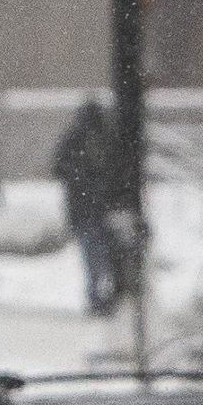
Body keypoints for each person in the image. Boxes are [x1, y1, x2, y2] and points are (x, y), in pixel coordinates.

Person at [51, 96, 123, 314]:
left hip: (85, 207)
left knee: (93, 255)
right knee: (102, 253)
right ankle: (100, 295)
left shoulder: (75, 139)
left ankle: (96, 295)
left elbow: (58, 169)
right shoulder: (106, 139)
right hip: (99, 206)